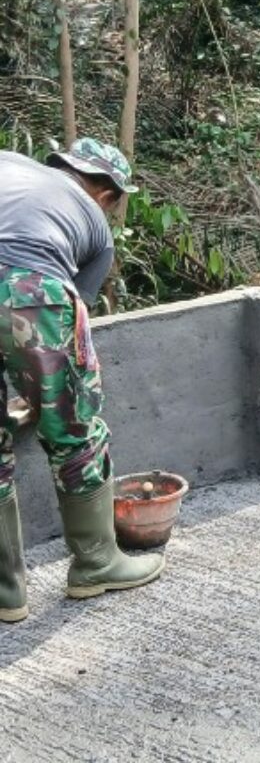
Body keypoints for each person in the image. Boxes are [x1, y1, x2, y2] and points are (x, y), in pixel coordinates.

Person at [0, 138, 164, 623]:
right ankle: (96, 563)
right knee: (75, 428)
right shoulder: (96, 225)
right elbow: (70, 328)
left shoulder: (9, 163)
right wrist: (44, 395)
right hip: (34, 288)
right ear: (109, 195)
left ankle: (6, 593)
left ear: (59, 165)